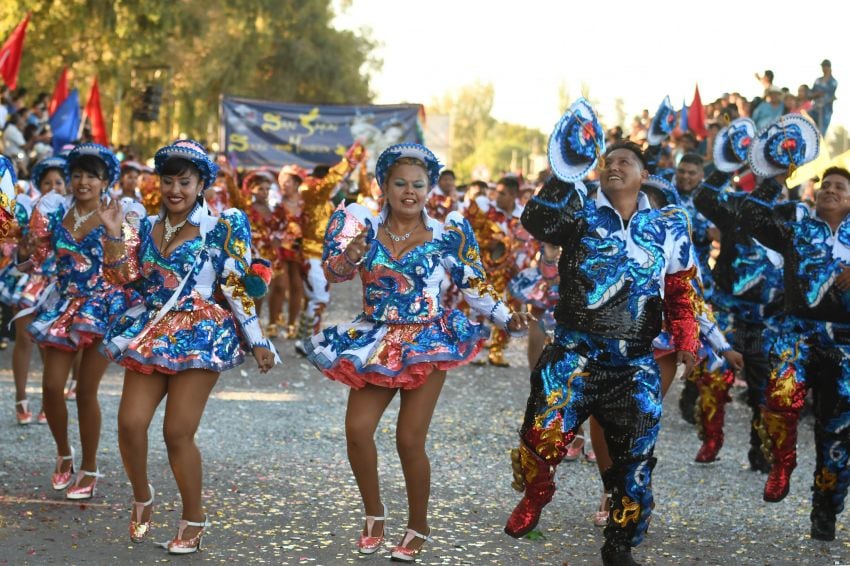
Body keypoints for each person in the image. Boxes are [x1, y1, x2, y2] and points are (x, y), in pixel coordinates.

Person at [305, 143, 532, 563]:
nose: (410, 192)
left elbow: (473, 284)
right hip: (374, 340)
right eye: (400, 184)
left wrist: (505, 316)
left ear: (429, 189)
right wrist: (351, 254)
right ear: (384, 186)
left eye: (418, 185)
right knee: (357, 431)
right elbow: (335, 273)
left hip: (426, 342)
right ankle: (374, 514)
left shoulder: (447, 233)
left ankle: (418, 525)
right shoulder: (364, 227)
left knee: (409, 439)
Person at [505, 99, 699, 566]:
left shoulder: (670, 225)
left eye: (624, 162)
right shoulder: (579, 212)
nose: (614, 167)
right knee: (538, 439)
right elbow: (536, 220)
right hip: (573, 356)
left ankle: (619, 544)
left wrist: (687, 339)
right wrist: (564, 169)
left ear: (644, 173)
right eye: (607, 162)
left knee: (634, 464)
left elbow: (679, 287)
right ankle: (537, 489)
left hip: (634, 362)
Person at [96, 139, 278, 554]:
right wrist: (111, 235)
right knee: (129, 423)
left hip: (201, 334)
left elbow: (234, 285)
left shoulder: (223, 226)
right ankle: (143, 496)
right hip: (152, 330)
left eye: (185, 181)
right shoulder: (143, 226)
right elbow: (124, 278)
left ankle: (193, 517)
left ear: (201, 185)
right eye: (168, 181)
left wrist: (258, 340)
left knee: (177, 431)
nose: (175, 189)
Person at [15, 143, 143, 499]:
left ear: (106, 181)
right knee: (53, 387)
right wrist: (23, 249)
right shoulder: (54, 210)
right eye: (78, 175)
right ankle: (64, 454)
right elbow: (34, 262)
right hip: (64, 305)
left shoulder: (123, 212)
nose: (83, 181)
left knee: (87, 391)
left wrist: (114, 233)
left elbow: (128, 269)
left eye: (92, 175)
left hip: (105, 307)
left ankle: (89, 466)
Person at [1, 156, 67, 425]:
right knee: (24, 341)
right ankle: (20, 399)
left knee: (49, 346)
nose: (53, 187)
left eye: (59, 182)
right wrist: (26, 244)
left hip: (58, 285)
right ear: (39, 185)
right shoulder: (27, 209)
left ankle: (48, 401)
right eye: (47, 182)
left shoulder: (74, 213)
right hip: (29, 282)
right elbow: (21, 250)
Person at [292, 144, 366, 356]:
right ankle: (308, 341)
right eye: (332, 184)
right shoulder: (313, 194)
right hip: (310, 255)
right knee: (319, 299)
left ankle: (304, 339)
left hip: (321, 256)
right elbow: (331, 181)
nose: (336, 188)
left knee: (317, 299)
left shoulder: (325, 203)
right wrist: (351, 160)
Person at [810, 59, 838, 137]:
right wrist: (816, 94)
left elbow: (828, 94)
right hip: (815, 108)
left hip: (825, 111)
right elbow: (812, 93)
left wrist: (818, 94)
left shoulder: (833, 81)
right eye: (823, 66)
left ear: (829, 67)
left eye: (825, 66)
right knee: (810, 128)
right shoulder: (818, 80)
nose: (823, 68)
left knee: (821, 133)